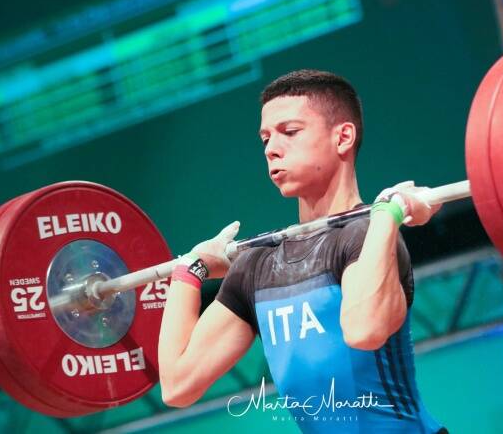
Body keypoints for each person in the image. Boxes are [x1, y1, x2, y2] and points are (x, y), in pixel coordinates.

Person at [158, 69, 448, 433]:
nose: (271, 148)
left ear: (343, 137)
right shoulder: (257, 263)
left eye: (289, 132)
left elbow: (365, 331)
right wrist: (191, 270)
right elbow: (178, 384)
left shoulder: (364, 235)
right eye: (265, 137)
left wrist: (390, 215)